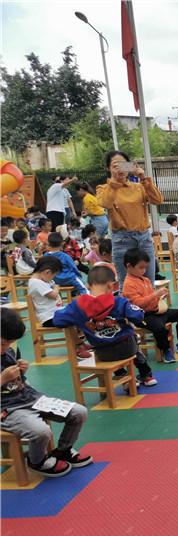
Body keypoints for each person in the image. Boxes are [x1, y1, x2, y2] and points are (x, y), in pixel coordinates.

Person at [1, 308, 92, 478]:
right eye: (3, 344)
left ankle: (63, 450)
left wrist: (21, 371)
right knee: (41, 431)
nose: (6, 348)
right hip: (7, 409)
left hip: (30, 398)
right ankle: (37, 461)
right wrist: (2, 378)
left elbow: (19, 381)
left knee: (79, 412)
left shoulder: (8, 350)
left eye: (10, 344)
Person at [53, 265, 158, 387]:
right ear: (111, 285)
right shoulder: (119, 302)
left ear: (88, 285)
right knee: (133, 339)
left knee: (106, 344)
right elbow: (138, 316)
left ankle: (123, 376)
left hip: (102, 352)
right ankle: (146, 375)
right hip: (128, 349)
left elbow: (58, 320)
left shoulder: (77, 306)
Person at [96, 150, 164, 288]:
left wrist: (143, 178)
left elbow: (158, 200)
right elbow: (106, 203)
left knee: (148, 283)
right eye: (115, 165)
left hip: (144, 238)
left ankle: (148, 309)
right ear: (108, 168)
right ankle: (129, 309)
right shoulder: (104, 188)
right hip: (122, 240)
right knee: (125, 285)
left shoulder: (139, 187)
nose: (120, 169)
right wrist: (114, 181)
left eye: (123, 165)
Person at [121, 248, 178, 363]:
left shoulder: (145, 280)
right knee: (159, 328)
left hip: (156, 311)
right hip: (143, 316)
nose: (144, 270)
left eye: (145, 267)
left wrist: (159, 296)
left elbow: (150, 297)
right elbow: (138, 304)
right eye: (141, 267)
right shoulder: (128, 284)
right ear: (129, 266)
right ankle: (166, 350)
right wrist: (155, 295)